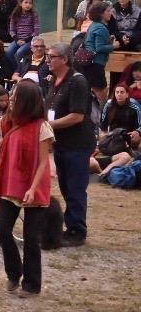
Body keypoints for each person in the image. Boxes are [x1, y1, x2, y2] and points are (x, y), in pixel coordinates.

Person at [0, 80, 54, 297]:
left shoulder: (42, 127)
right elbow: (1, 151)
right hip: (11, 184)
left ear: (26, 101)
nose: (11, 99)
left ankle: (31, 284)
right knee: (2, 230)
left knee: (31, 238)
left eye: (15, 96)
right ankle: (13, 272)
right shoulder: (9, 121)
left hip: (34, 186)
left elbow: (43, 162)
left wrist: (33, 188)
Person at [45, 42, 93, 246]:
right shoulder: (55, 81)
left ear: (64, 59)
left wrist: (48, 125)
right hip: (61, 143)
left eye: (52, 57)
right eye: (47, 56)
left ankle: (77, 231)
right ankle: (70, 226)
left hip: (77, 144)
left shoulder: (77, 81)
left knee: (75, 188)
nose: (47, 60)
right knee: (65, 187)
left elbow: (77, 116)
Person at [82, 0, 115, 106]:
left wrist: (108, 40)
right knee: (102, 95)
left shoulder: (93, 25)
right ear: (101, 13)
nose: (110, 13)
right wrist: (114, 46)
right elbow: (99, 48)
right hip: (95, 65)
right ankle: (103, 115)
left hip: (88, 64)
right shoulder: (101, 27)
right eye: (108, 11)